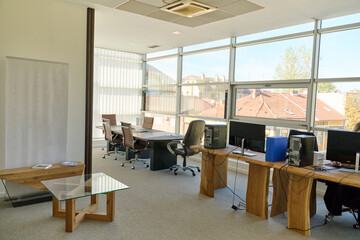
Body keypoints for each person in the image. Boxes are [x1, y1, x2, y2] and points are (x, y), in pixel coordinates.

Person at [324, 121, 360, 218]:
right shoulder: (349, 145)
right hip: (347, 175)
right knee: (332, 182)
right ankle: (334, 209)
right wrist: (337, 161)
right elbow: (342, 159)